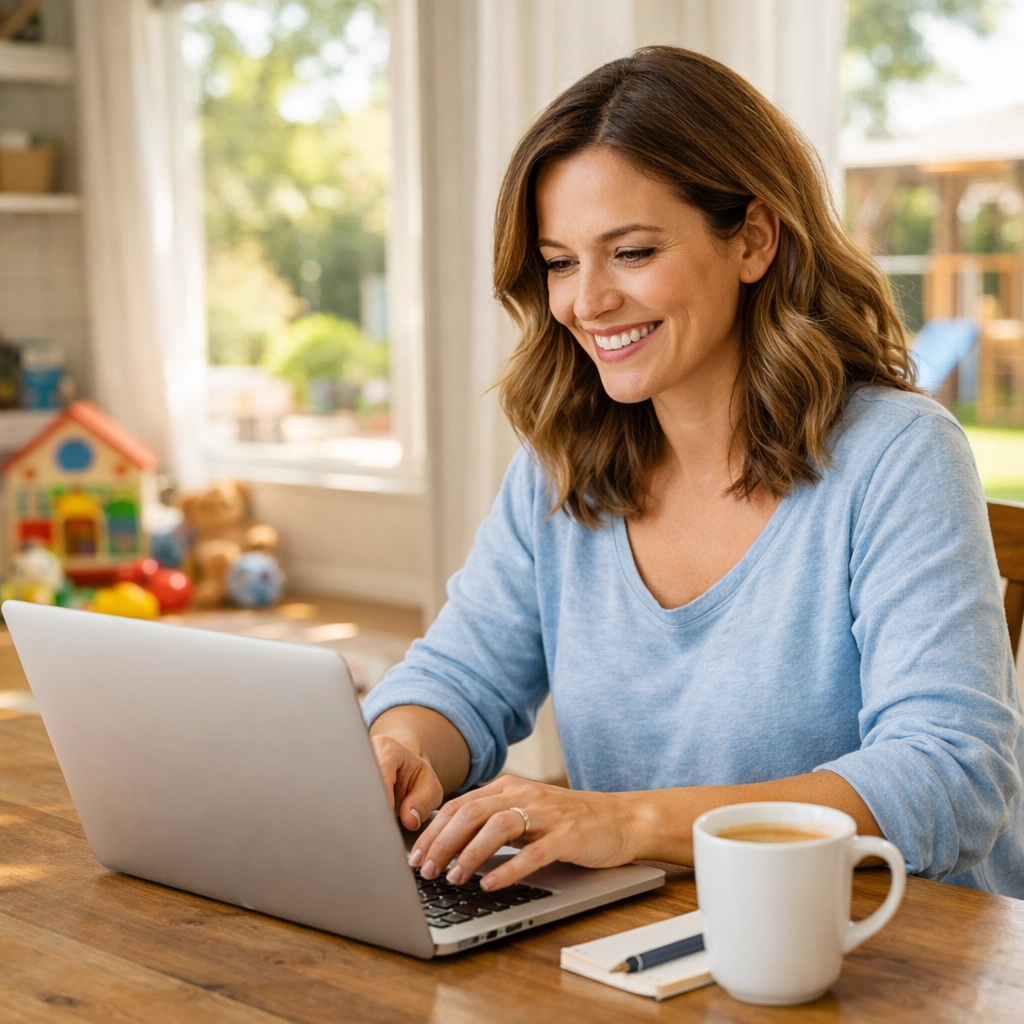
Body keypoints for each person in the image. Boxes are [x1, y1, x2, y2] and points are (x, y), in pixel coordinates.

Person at [363, 46, 1024, 899]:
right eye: (560, 262)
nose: (585, 302)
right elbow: (458, 680)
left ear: (751, 239)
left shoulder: (896, 457)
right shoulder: (562, 463)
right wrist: (403, 748)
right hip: (653, 948)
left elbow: (952, 778)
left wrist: (628, 821)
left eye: (630, 252)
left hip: (884, 959)